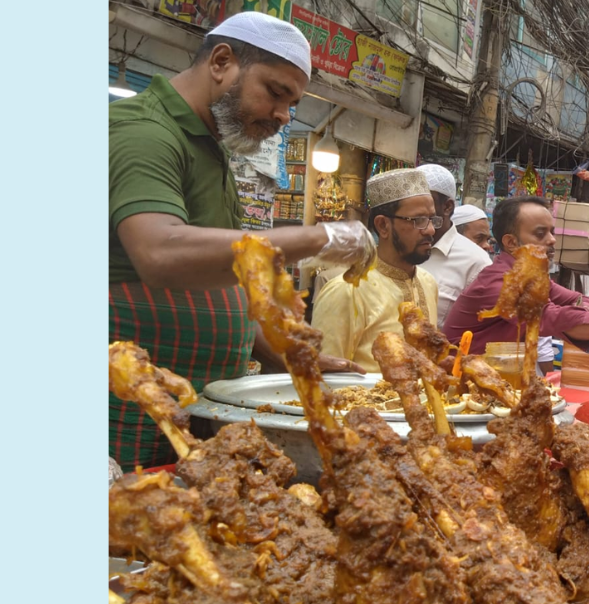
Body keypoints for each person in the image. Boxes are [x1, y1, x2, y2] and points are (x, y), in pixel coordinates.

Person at [109, 12, 374, 468]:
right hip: (129, 411)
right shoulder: (144, 132)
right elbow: (158, 252)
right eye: (275, 92)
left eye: (292, 103)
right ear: (221, 62)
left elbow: (220, 282)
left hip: (201, 405)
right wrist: (315, 237)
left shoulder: (210, 148)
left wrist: (291, 359)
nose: (283, 116)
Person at [444, 196, 589, 356]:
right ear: (511, 242)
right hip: (461, 382)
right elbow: (550, 317)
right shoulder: (500, 282)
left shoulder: (532, 277)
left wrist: (581, 307)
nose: (551, 240)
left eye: (552, 232)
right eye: (540, 234)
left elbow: (575, 299)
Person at [311, 168, 441, 372]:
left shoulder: (428, 283)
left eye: (432, 219)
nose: (431, 230)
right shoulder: (346, 290)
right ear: (383, 226)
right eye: (418, 221)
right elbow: (325, 380)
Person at [416, 164, 493, 325]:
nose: (414, 209)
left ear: (447, 207)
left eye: (423, 201)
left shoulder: (476, 262)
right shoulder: (400, 248)